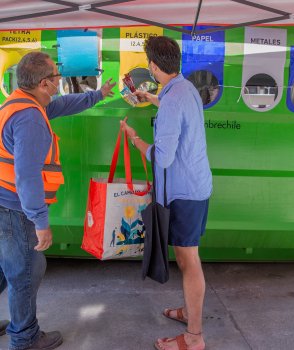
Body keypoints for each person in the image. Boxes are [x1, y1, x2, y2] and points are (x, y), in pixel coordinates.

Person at [0, 51, 116, 350]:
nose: (60, 80)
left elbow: (62, 105)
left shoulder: (21, 103)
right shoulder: (30, 120)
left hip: (5, 203)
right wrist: (40, 221)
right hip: (16, 209)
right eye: (56, 77)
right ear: (43, 84)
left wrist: (97, 95)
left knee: (5, 268)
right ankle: (24, 339)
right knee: (25, 272)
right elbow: (27, 178)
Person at [120, 36, 212, 350]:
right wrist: (151, 98)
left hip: (183, 192)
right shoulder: (184, 89)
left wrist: (134, 139)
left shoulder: (174, 98)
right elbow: (174, 110)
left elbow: (163, 156)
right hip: (197, 186)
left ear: (154, 66)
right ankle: (190, 311)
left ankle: (194, 336)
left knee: (188, 261)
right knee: (189, 258)